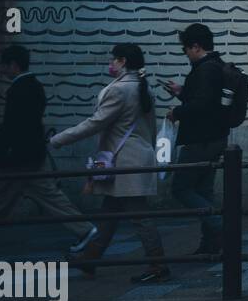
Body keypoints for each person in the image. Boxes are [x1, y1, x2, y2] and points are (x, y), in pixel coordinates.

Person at [51, 44, 169, 283]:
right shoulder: (145, 88)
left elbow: (96, 122)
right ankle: (90, 259)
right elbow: (151, 128)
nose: (111, 64)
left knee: (139, 215)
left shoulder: (120, 90)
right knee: (109, 212)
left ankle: (158, 266)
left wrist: (60, 138)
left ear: (123, 61)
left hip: (124, 161)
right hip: (136, 158)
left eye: (114, 60)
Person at [0, 44, 97, 259]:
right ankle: (84, 229)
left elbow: (11, 127)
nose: (2, 71)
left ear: (14, 65)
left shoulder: (18, 89)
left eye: (5, 66)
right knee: (50, 197)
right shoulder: (35, 86)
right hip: (32, 155)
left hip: (15, 159)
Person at [164, 23, 229, 255]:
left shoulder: (205, 69)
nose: (186, 54)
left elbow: (202, 105)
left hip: (200, 139)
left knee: (181, 188)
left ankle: (223, 229)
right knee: (203, 191)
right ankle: (211, 243)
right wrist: (182, 92)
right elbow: (206, 100)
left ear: (196, 46)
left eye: (186, 49)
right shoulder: (216, 66)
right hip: (215, 136)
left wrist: (177, 112)